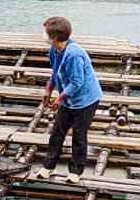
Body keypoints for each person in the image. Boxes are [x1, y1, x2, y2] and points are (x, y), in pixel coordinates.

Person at [33, 15, 102, 184]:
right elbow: (55, 72)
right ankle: (49, 166)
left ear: (56, 36)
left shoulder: (73, 54)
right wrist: (48, 90)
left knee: (79, 134)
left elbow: (77, 81)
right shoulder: (54, 50)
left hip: (86, 99)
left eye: (47, 33)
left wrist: (61, 98)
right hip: (68, 97)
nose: (44, 35)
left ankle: (76, 171)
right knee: (57, 131)